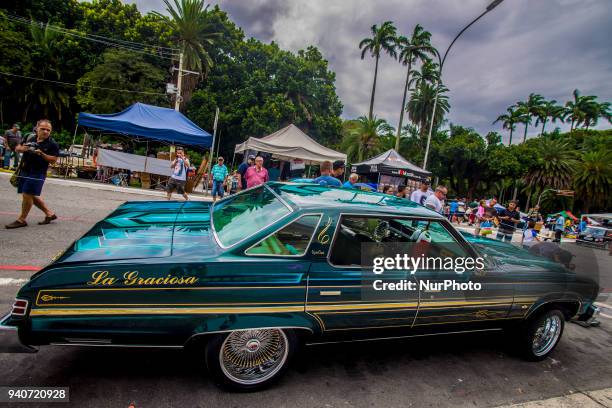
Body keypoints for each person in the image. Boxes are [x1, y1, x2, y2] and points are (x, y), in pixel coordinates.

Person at [5, 119, 58, 229]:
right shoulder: (29, 137)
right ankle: (49, 214)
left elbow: (53, 160)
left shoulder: (52, 144)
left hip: (38, 173)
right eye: (43, 129)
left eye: (48, 130)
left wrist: (42, 154)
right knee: (30, 195)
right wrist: (25, 148)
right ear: (37, 128)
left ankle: (22, 220)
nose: (45, 131)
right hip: (24, 169)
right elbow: (17, 148)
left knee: (27, 194)